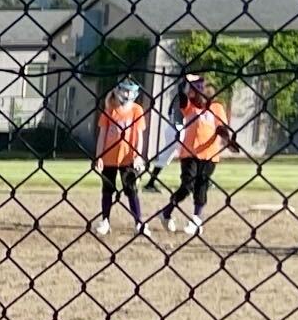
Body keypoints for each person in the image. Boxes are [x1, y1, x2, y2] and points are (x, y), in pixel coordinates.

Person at [162, 72, 239, 235]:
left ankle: (196, 219)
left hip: (209, 155)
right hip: (189, 153)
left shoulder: (216, 108)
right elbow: (181, 96)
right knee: (186, 187)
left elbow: (220, 128)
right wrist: (185, 82)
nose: (198, 96)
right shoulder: (190, 106)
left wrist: (227, 140)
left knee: (201, 186)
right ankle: (166, 212)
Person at [92, 79, 150, 237]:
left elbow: (139, 136)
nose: (127, 94)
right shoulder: (110, 109)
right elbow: (102, 134)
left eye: (130, 91)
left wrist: (138, 156)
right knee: (107, 190)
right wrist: (99, 156)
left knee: (131, 190)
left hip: (128, 158)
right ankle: (105, 221)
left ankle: (139, 222)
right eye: (124, 91)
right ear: (118, 91)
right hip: (110, 157)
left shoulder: (137, 110)